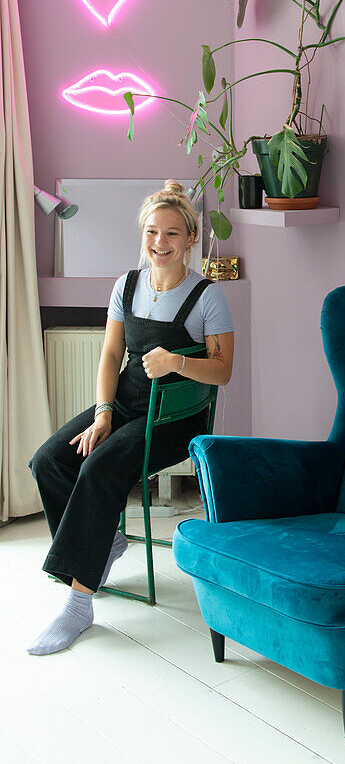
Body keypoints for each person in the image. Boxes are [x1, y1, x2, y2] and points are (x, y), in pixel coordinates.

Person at [27, 180, 234, 655]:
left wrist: (178, 362)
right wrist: (102, 415)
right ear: (142, 234)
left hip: (175, 419)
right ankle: (105, 543)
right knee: (50, 461)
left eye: (172, 234)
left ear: (191, 238)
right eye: (152, 233)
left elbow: (223, 371)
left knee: (100, 469)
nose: (160, 244)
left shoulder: (207, 297)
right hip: (124, 405)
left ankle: (78, 603)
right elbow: (110, 354)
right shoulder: (127, 284)